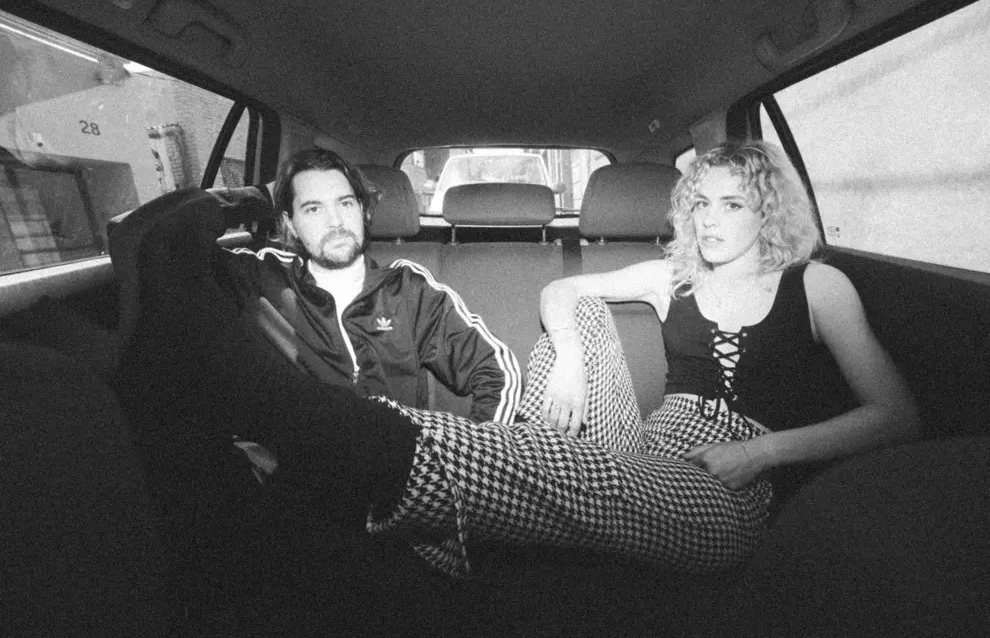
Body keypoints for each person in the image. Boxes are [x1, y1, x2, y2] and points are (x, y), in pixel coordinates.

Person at [119, 140, 919, 582]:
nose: (710, 221)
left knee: (577, 473)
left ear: (766, 210)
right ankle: (458, 498)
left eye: (732, 204)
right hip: (644, 447)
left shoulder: (817, 285)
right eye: (700, 203)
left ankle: (339, 438)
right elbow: (565, 295)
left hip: (729, 487)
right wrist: (568, 356)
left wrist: (765, 453)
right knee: (573, 323)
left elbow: (895, 415)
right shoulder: (671, 275)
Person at [203, 147, 522, 425]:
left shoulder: (407, 289)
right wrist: (259, 197)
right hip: (294, 468)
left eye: (345, 204)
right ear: (290, 224)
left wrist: (474, 461)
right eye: (313, 208)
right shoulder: (261, 276)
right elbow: (174, 235)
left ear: (363, 210)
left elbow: (498, 372)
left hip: (399, 466)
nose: (335, 222)